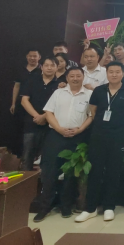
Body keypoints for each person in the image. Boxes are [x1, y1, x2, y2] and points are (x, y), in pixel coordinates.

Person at [75, 61, 124, 223]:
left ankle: (109, 206)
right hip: (99, 134)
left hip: (118, 135)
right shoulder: (99, 90)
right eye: (111, 72)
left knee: (113, 171)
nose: (114, 74)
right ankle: (90, 208)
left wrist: (117, 126)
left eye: (117, 72)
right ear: (107, 73)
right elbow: (93, 110)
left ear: (122, 73)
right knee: (95, 170)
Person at [33, 67, 93, 222]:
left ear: (83, 77)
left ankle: (66, 206)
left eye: (78, 76)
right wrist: (59, 129)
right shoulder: (58, 93)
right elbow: (49, 112)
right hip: (56, 136)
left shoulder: (89, 95)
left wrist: (80, 129)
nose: (75, 78)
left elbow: (91, 116)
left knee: (71, 173)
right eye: (72, 76)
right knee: (50, 172)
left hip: (78, 137)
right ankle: (44, 207)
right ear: (67, 78)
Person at [20, 56, 59, 171]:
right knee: (27, 156)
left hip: (50, 125)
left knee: (46, 156)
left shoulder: (61, 84)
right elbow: (24, 100)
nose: (49, 68)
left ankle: (42, 181)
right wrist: (37, 116)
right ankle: (26, 180)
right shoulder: (32, 80)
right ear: (41, 67)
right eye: (46, 65)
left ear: (57, 67)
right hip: (31, 122)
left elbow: (59, 105)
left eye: (52, 65)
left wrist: (44, 117)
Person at [11, 49, 41, 115]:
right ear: (27, 56)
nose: (32, 58)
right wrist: (13, 103)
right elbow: (16, 86)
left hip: (35, 102)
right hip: (20, 102)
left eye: (35, 56)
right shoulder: (21, 69)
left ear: (39, 57)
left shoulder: (42, 70)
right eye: (30, 56)